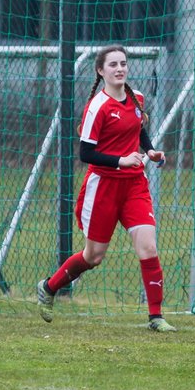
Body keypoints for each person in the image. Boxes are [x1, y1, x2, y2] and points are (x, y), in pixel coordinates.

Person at [36, 45, 175, 332]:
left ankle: (156, 317)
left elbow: (139, 130)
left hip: (135, 185)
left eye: (123, 63)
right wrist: (120, 161)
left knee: (148, 246)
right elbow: (86, 154)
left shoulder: (136, 98)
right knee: (93, 257)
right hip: (103, 187)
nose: (120, 68)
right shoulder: (97, 107)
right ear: (101, 71)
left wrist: (150, 151)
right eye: (113, 64)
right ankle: (49, 287)